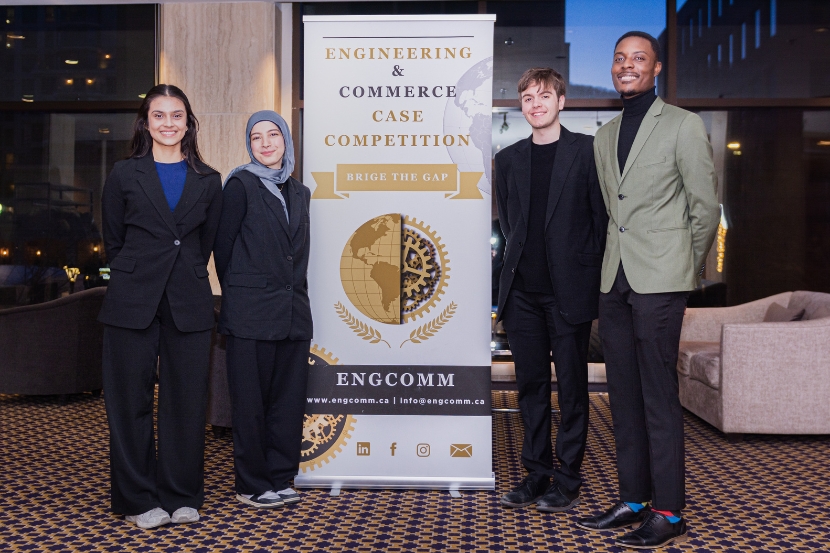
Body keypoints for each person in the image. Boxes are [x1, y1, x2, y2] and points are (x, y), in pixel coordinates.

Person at [576, 32, 719, 549]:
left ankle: (669, 511)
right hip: (614, 280)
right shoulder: (604, 134)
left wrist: (681, 264)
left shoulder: (683, 125)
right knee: (624, 396)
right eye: (619, 59)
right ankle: (634, 498)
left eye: (638, 58)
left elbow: (704, 208)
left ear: (656, 68)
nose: (626, 66)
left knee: (659, 397)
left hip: (660, 280)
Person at [99, 84, 223, 529]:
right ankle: (137, 499)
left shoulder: (210, 180)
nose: (168, 123)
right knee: (128, 402)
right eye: (159, 115)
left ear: (187, 123)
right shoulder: (123, 174)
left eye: (176, 115)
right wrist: (138, 273)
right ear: (145, 122)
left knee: (186, 402)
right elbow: (113, 239)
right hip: (131, 300)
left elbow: (204, 245)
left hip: (187, 301)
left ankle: (182, 495)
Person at [495, 68, 607, 512]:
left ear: (562, 101)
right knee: (531, 387)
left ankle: (568, 477)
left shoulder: (587, 152)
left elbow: (599, 222)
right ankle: (536, 474)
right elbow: (509, 225)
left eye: (544, 95)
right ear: (520, 106)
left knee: (574, 388)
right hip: (522, 291)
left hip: (569, 291)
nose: (535, 103)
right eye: (527, 97)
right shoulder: (507, 160)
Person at [213, 111, 312, 509]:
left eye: (274, 134)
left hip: (293, 311)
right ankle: (251, 484)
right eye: (257, 137)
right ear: (249, 145)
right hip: (250, 313)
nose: (266, 143)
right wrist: (242, 291)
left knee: (287, 402)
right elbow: (223, 248)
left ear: (286, 140)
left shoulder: (300, 192)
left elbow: (296, 253)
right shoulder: (239, 185)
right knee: (251, 404)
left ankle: (279, 476)